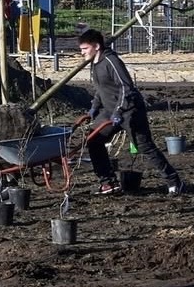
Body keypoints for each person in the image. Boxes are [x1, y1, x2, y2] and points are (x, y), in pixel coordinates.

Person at [78, 29, 183, 196]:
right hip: (109, 111)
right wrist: (93, 108)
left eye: (84, 48)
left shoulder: (111, 61)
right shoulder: (94, 63)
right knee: (94, 141)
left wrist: (119, 111)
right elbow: (101, 89)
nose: (81, 52)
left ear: (96, 46)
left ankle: (174, 180)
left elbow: (126, 88)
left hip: (130, 110)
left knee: (145, 147)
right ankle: (108, 182)